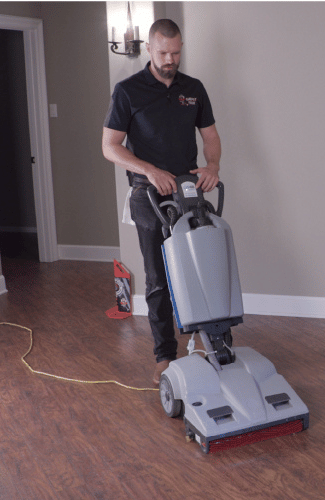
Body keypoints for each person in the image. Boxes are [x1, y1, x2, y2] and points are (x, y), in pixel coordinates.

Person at [102, 19, 221, 385]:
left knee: (199, 267)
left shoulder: (194, 89)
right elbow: (110, 147)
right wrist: (150, 171)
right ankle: (164, 355)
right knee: (158, 277)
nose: (172, 59)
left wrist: (212, 165)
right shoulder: (128, 91)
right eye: (164, 52)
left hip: (187, 189)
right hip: (148, 192)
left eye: (177, 51)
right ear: (150, 49)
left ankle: (205, 340)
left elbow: (211, 136)